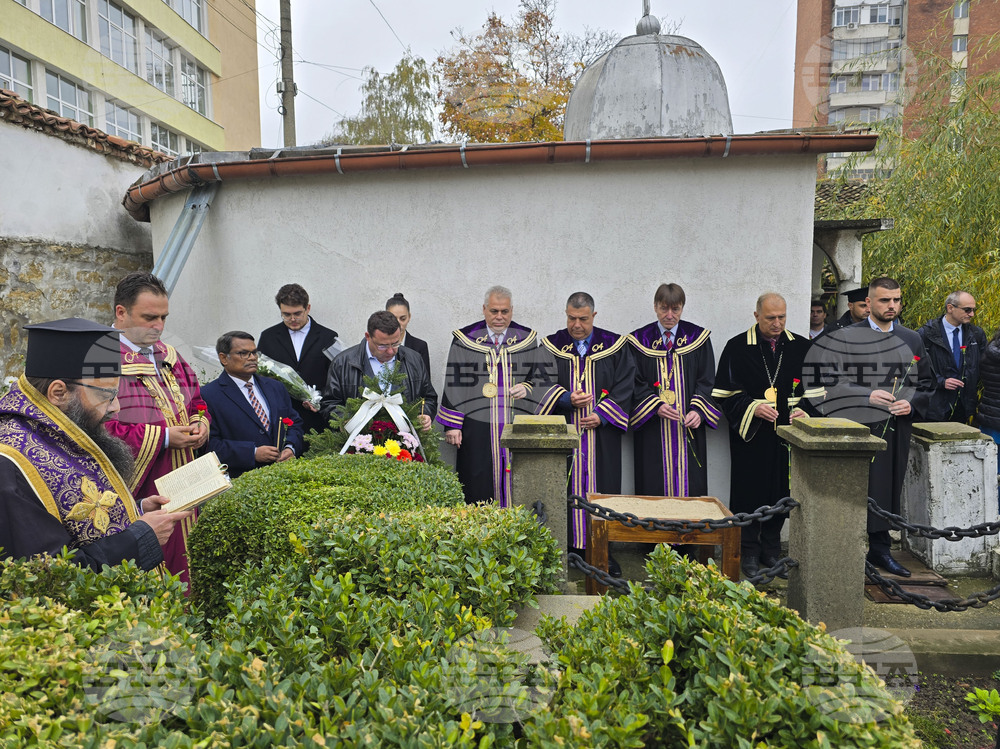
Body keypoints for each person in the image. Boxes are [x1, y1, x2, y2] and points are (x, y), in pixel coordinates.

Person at [0, 318, 191, 571]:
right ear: (58, 393)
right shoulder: (10, 464)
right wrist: (139, 538)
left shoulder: (59, 429)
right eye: (106, 396)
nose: (116, 408)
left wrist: (135, 511)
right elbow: (48, 573)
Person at [104, 272, 209, 587]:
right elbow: (98, 429)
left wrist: (200, 423)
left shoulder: (169, 355)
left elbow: (197, 402)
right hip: (141, 483)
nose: (159, 326)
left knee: (191, 559)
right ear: (121, 312)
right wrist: (163, 437)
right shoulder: (100, 357)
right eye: (149, 317)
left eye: (163, 317)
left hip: (185, 477)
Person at [712, 293, 816, 579]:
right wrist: (752, 407)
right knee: (749, 490)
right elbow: (724, 393)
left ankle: (771, 550)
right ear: (757, 316)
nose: (777, 323)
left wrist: (805, 411)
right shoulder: (737, 347)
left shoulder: (803, 347)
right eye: (770, 318)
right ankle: (748, 550)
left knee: (781, 489)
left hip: (788, 436)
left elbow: (817, 392)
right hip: (751, 438)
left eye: (782, 317)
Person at [536, 292, 636, 575]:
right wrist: (565, 398)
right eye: (571, 318)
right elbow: (539, 382)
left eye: (582, 319)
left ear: (594, 316)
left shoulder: (615, 346)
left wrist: (603, 415)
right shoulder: (551, 346)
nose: (576, 325)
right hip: (563, 433)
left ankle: (603, 551)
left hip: (602, 438)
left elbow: (626, 385)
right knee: (563, 488)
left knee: (603, 489)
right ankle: (566, 549)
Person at [437, 286, 553, 506]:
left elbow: (540, 378)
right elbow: (454, 382)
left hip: (516, 423)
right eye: (494, 311)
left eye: (504, 311)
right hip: (476, 427)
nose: (499, 317)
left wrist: (527, 388)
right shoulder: (465, 339)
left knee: (519, 479)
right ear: (484, 309)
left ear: (511, 310)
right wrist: (453, 425)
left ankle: (517, 525)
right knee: (476, 476)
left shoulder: (527, 339)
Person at [851, 278, 932, 577]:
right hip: (857, 427)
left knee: (886, 487)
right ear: (869, 302)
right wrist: (865, 396)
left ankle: (881, 550)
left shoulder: (912, 339)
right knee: (855, 488)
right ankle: (849, 552)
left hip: (895, 427)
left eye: (896, 300)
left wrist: (911, 404)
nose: (892, 306)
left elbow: (927, 383)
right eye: (885, 300)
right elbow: (830, 382)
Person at [628, 283, 720, 497]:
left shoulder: (698, 339)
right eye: (664, 308)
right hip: (652, 429)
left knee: (691, 487)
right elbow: (633, 381)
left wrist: (698, 411)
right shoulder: (638, 342)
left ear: (682, 308)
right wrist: (654, 405)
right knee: (653, 487)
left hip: (688, 428)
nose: (669, 315)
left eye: (675, 309)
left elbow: (707, 380)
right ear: (655, 307)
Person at [200, 331, 304, 479]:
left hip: (283, 476)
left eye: (254, 352)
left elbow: (294, 423)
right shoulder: (208, 395)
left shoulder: (275, 387)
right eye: (243, 353)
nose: (252, 358)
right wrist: (252, 452)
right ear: (223, 358)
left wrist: (290, 447)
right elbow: (209, 445)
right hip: (241, 481)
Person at [321, 310, 438, 426]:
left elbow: (429, 398)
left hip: (405, 436)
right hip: (357, 436)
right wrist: (348, 423)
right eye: (383, 346)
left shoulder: (414, 359)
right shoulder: (342, 363)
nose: (391, 351)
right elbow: (329, 404)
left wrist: (425, 415)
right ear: (368, 337)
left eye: (396, 344)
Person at [257, 283, 340, 437]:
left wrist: (318, 398)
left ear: (308, 308)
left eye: (297, 313)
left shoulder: (328, 337)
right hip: (281, 419)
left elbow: (336, 378)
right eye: (286, 314)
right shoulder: (268, 337)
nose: (292, 319)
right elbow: (260, 377)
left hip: (317, 419)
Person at [917, 290, 986, 423]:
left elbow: (984, 366)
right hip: (934, 408)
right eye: (967, 310)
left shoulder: (976, 334)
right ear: (950, 308)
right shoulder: (926, 334)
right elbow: (914, 368)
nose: (972, 314)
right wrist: (940, 381)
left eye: (973, 310)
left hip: (964, 407)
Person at [975, 326, 1000, 510]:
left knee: (991, 473)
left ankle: (992, 514)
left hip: (990, 419)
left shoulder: (990, 351)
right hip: (993, 419)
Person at [386, 293, 431, 376]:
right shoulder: (377, 345)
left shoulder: (419, 347)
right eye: (393, 318)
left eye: (403, 319)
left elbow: (425, 381)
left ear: (409, 317)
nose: (398, 323)